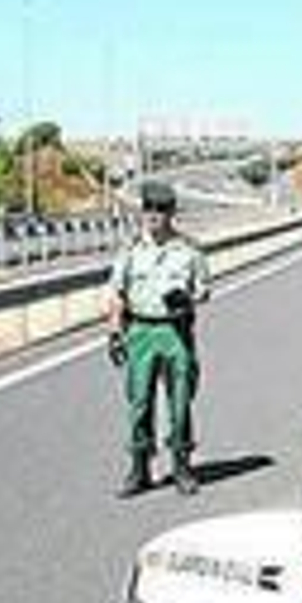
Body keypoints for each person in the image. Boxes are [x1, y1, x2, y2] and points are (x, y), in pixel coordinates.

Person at [106, 180, 209, 497]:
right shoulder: (131, 250)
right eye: (149, 209)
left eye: (161, 210)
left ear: (171, 213)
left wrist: (189, 298)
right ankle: (140, 469)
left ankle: (181, 466)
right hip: (140, 332)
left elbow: (204, 289)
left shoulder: (189, 251)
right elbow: (116, 292)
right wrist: (114, 331)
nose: (153, 215)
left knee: (180, 404)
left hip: (175, 333)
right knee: (139, 404)